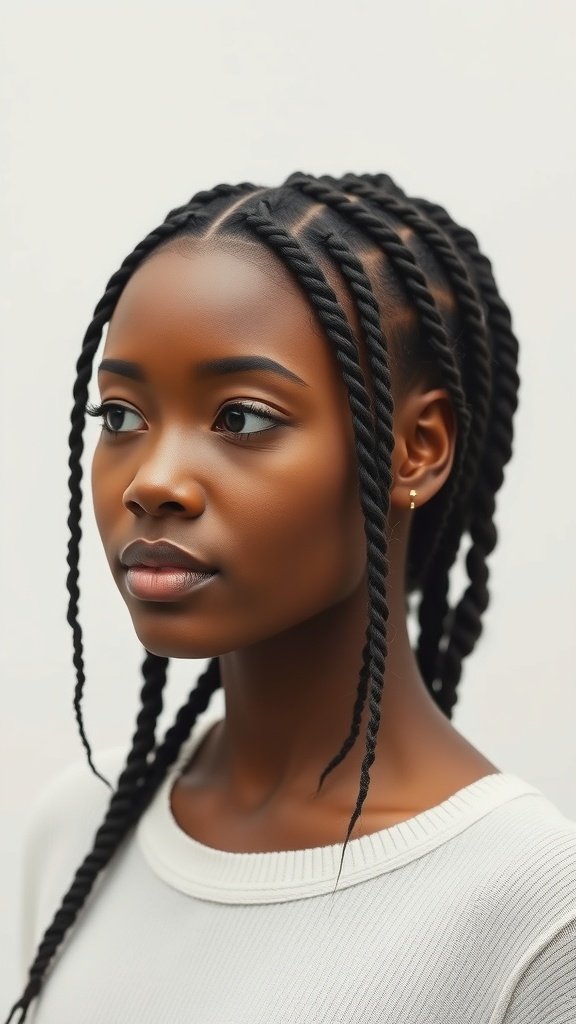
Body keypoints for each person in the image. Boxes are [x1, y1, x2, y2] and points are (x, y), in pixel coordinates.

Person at [7, 172, 576, 1023]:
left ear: (416, 449)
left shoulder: (530, 908)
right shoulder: (75, 831)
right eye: (121, 417)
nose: (152, 482)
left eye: (239, 418)